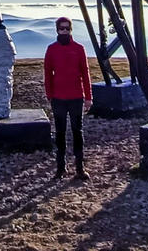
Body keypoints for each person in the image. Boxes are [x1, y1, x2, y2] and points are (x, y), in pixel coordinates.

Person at [43, 15, 92, 180]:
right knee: (60, 133)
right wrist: (49, 94)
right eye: (61, 28)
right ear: (57, 30)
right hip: (58, 98)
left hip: (76, 97)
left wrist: (88, 97)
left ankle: (79, 168)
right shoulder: (51, 49)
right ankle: (60, 168)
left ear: (71, 30)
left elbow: (85, 74)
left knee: (78, 132)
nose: (64, 31)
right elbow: (48, 73)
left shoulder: (79, 49)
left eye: (67, 28)